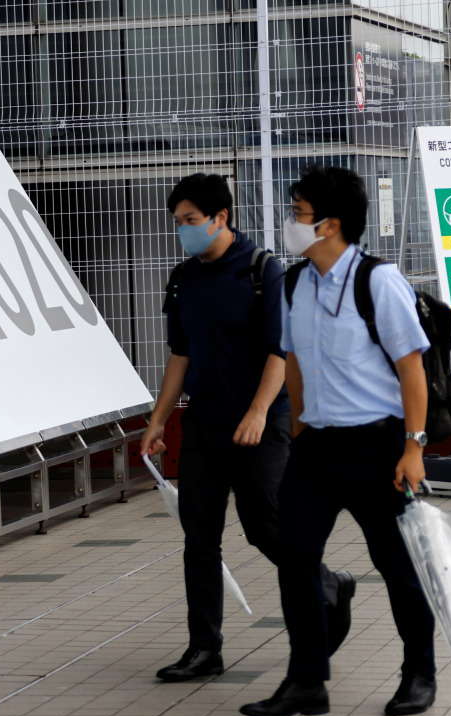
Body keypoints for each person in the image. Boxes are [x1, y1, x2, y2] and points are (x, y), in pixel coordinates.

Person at [239, 165, 437, 716]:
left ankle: (419, 671)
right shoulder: (293, 284)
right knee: (296, 556)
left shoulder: (378, 282)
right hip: (316, 450)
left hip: (377, 449)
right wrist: (299, 429)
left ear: (329, 225)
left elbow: (411, 368)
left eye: (297, 213)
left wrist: (414, 447)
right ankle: (307, 681)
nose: (289, 223)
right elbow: (294, 360)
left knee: (394, 563)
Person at [140, 173, 354, 684]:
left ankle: (329, 586)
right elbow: (180, 355)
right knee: (199, 537)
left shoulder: (263, 271)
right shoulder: (183, 278)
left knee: (267, 529)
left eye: (191, 221)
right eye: (178, 223)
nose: (184, 232)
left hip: (263, 425)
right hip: (205, 428)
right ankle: (204, 649)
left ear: (221, 218)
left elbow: (278, 351)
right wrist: (158, 420)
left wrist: (258, 412)